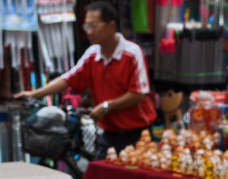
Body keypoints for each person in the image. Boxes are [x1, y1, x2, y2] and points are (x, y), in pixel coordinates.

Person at [15, 1, 155, 154]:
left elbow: (139, 94)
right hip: (109, 134)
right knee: (97, 175)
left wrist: (107, 106)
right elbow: (68, 78)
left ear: (111, 26)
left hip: (137, 134)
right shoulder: (92, 54)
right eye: (86, 26)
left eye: (94, 26)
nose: (89, 31)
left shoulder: (132, 53)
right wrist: (35, 94)